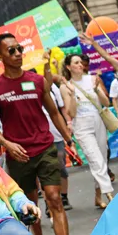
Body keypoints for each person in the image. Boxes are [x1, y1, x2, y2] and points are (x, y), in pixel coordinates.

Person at [0, 34, 87, 235]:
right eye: (11, 51)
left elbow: (54, 112)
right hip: (18, 155)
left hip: (45, 148)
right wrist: (8, 144)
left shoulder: (37, 81)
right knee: (30, 206)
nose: (18, 53)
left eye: (19, 48)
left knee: (54, 198)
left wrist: (68, 137)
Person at [60, 53, 115, 209]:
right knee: (95, 159)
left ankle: (98, 196)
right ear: (68, 67)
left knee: (102, 158)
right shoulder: (65, 86)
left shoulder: (92, 79)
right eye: (76, 62)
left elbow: (106, 102)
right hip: (82, 126)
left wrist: (97, 90)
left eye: (80, 62)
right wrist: (72, 94)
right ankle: (109, 194)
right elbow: (71, 113)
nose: (80, 65)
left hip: (98, 121)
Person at [46, 73, 74, 214]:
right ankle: (49, 201)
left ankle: (64, 197)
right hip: (40, 137)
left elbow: (60, 110)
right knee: (45, 171)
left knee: (61, 165)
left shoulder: (52, 89)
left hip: (56, 134)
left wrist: (67, 125)